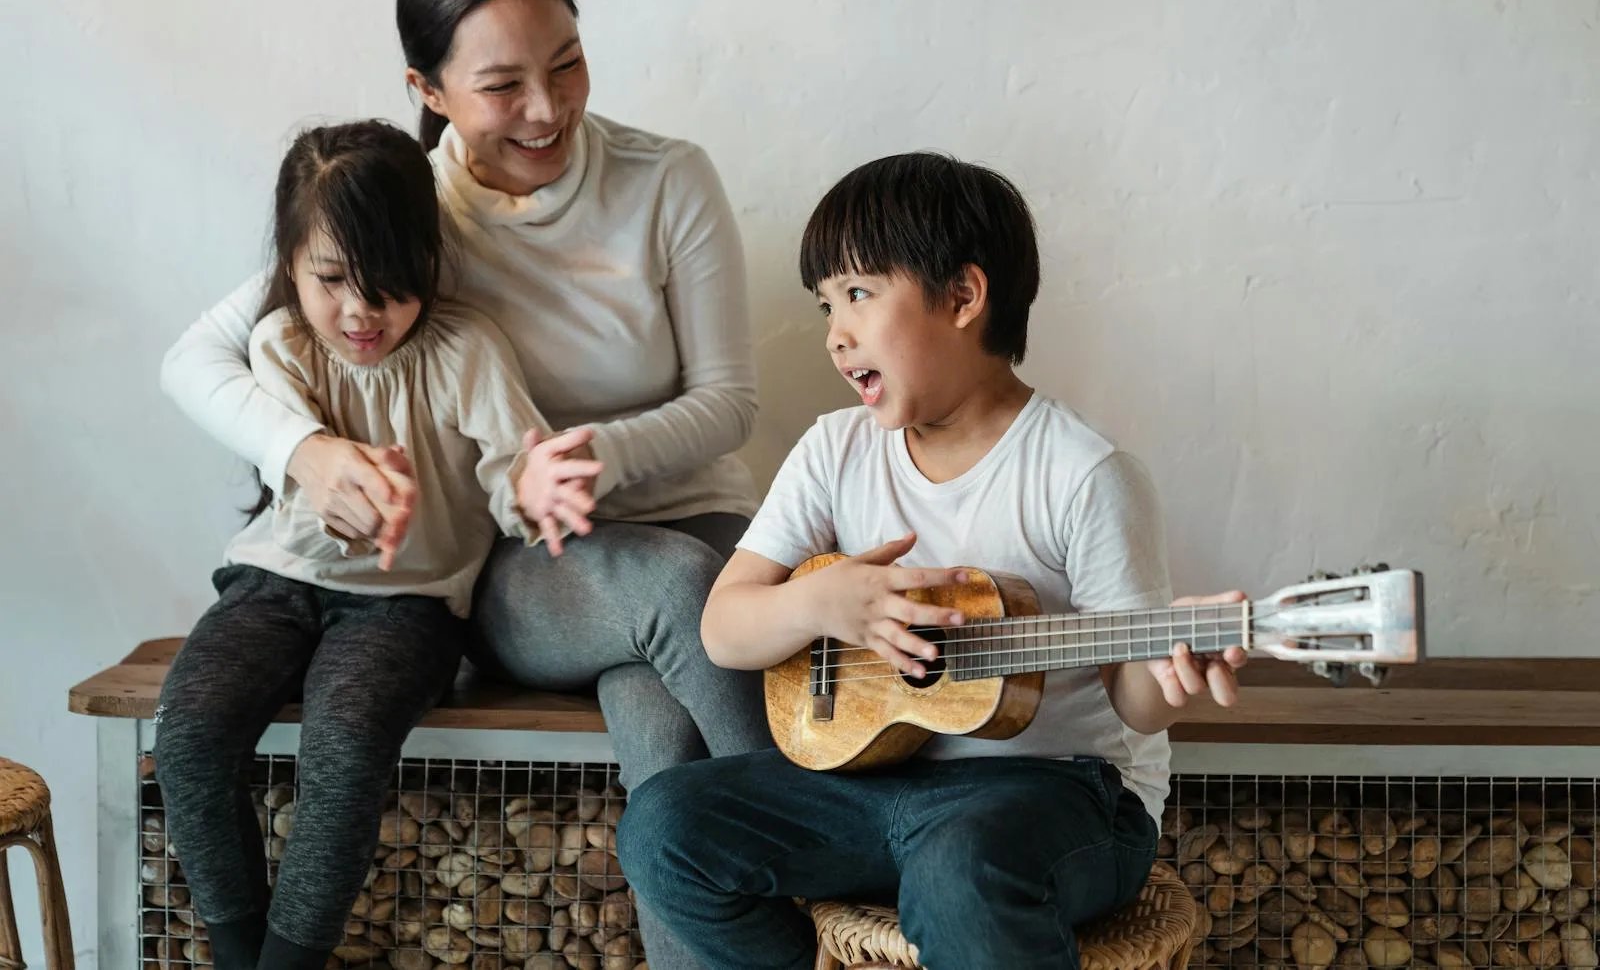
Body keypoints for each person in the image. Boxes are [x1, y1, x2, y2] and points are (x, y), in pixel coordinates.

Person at [616, 152, 1250, 970]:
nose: (837, 334)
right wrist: (824, 604)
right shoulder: (834, 450)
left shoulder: (1083, 473)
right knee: (665, 824)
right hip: (877, 786)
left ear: (962, 296)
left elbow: (1134, 701)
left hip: (1060, 795)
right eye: (825, 305)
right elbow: (724, 630)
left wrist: (1171, 677)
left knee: (958, 870)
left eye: (858, 294)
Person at [154, 119, 557, 970]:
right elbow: (303, 493)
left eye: (387, 283)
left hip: (406, 603)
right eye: (330, 279)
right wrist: (339, 499)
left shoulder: (468, 349)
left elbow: (513, 471)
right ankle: (240, 954)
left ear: (428, 260)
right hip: (273, 579)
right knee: (189, 729)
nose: (359, 312)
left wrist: (536, 494)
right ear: (289, 266)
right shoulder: (281, 344)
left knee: (343, 741)